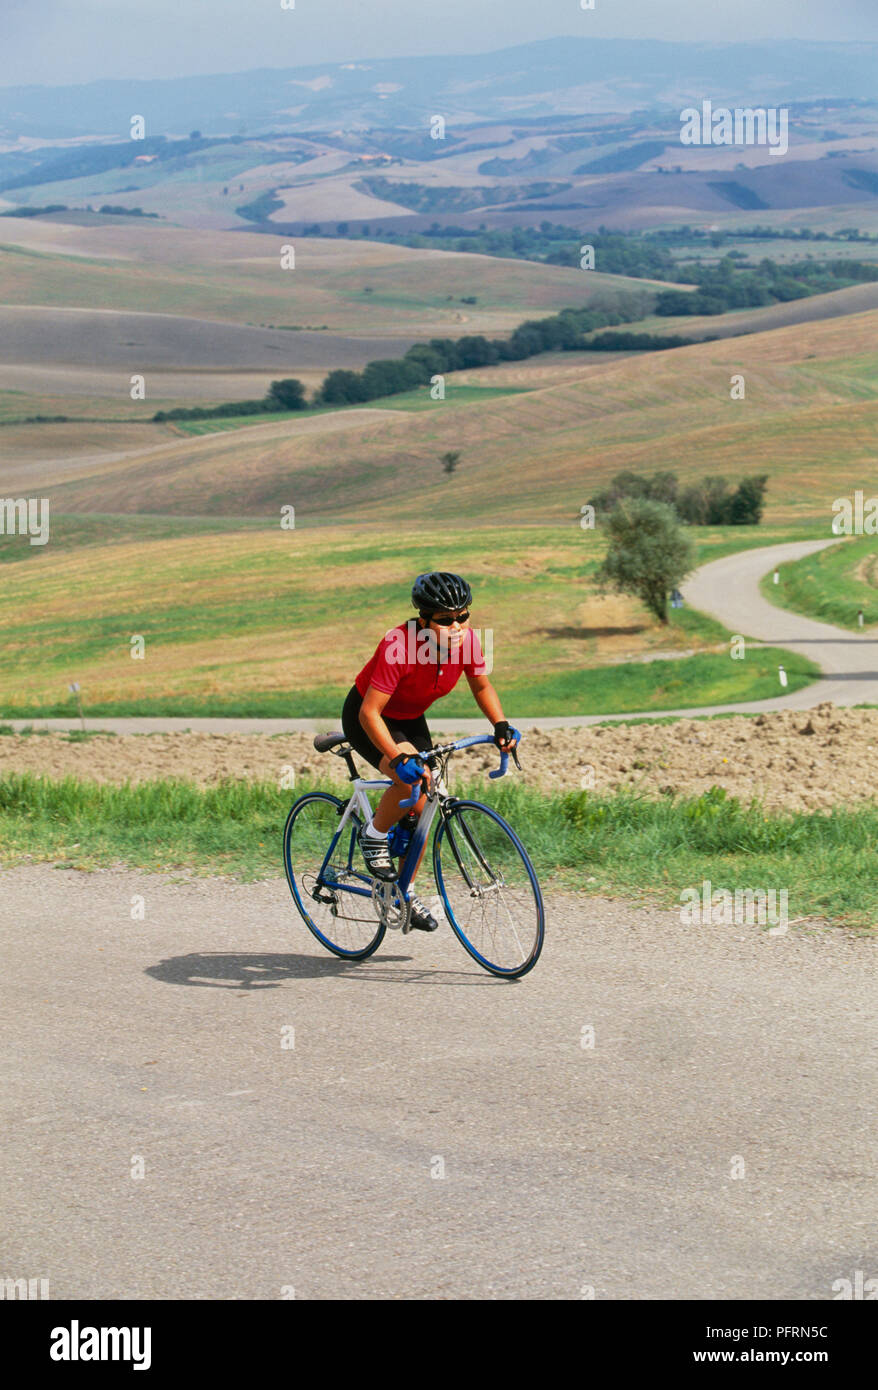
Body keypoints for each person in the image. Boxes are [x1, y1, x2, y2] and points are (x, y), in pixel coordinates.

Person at [341, 571, 519, 931]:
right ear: (423, 619)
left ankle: (400, 892)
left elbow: (482, 686)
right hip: (369, 716)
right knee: (411, 781)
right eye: (445, 620)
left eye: (463, 616)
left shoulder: (468, 642)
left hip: (410, 717)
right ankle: (373, 835)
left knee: (426, 802)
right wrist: (396, 756)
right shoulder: (399, 645)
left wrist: (500, 724)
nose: (456, 626)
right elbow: (369, 712)